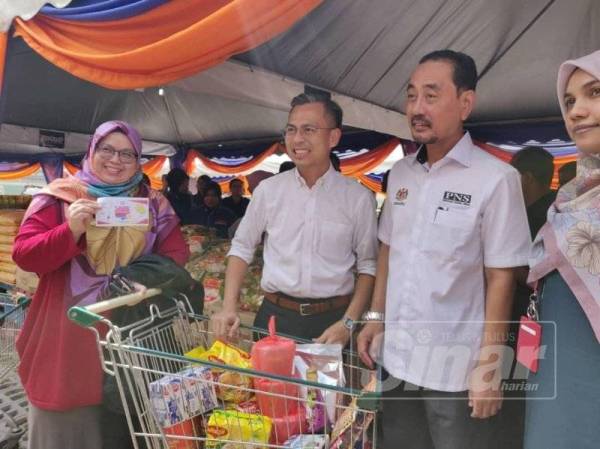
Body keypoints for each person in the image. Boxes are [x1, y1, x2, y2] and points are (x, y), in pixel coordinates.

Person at [357, 50, 531, 449]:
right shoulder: (400, 174)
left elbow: (501, 276)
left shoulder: (497, 180)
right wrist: (374, 316)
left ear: (465, 103)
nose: (417, 108)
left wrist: (489, 365)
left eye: (431, 96)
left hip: (454, 370)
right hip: (396, 360)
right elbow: (388, 251)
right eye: (412, 95)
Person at [12, 121, 190, 449]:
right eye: (107, 150)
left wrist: (142, 279)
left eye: (127, 153)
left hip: (130, 330)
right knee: (69, 425)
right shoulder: (59, 197)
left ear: (139, 161)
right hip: (70, 332)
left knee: (125, 422)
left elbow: (176, 252)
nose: (116, 160)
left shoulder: (153, 203)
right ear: (92, 151)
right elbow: (25, 255)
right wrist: (70, 230)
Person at [212, 92, 378, 344]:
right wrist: (228, 306)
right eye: (291, 130)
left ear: (333, 137)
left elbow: (368, 265)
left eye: (309, 129)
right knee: (269, 385)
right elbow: (242, 246)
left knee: (327, 385)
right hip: (276, 318)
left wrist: (348, 323)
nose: (297, 139)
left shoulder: (358, 198)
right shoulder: (269, 191)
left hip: (333, 321)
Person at [524, 50, 600, 449]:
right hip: (557, 379)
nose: (577, 111)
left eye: (595, 92)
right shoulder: (571, 198)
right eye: (569, 101)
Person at [491, 146, 557, 449]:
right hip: (537, 322)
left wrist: (500, 267)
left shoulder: (537, 216)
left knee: (516, 392)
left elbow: (533, 272)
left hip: (525, 320)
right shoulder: (558, 208)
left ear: (526, 178)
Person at [511, 146, 557, 238]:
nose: (509, 182)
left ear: (528, 178)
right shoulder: (560, 209)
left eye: (512, 176)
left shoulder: (531, 221)